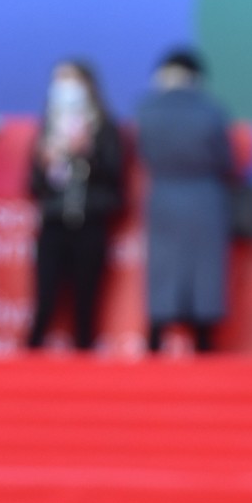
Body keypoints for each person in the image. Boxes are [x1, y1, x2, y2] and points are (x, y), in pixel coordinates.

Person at [136, 48, 234, 355]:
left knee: (162, 264)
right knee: (204, 267)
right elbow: (225, 159)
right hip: (205, 195)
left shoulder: (147, 108)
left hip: (163, 195)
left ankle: (156, 335)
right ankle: (203, 338)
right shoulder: (211, 109)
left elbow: (142, 153)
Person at [26, 61, 125, 352]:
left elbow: (115, 177)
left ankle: (86, 364)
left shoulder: (104, 127)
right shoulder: (47, 127)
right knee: (44, 299)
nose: (64, 87)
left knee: (86, 302)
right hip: (53, 223)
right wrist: (46, 164)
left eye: (71, 80)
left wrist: (88, 153)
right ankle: (28, 362)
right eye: (59, 80)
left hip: (89, 223)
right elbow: (33, 186)